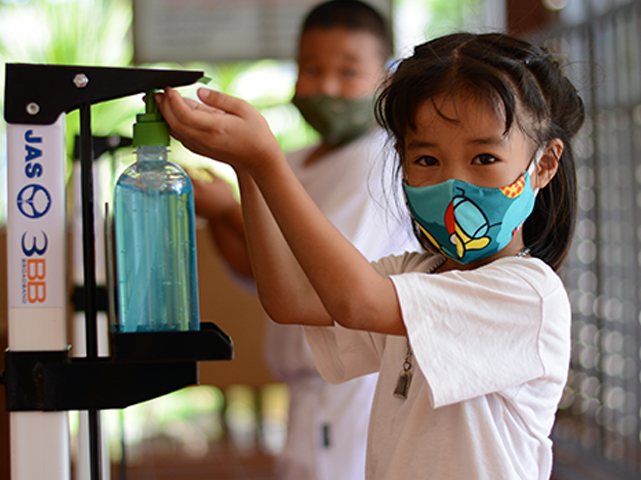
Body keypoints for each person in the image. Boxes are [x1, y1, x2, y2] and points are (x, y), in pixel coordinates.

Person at [157, 31, 585, 479]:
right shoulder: (418, 273)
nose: (453, 183)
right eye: (426, 161)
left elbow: (355, 301)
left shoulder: (528, 295)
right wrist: (247, 168)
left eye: (483, 158)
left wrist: (267, 160)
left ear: (544, 165)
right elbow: (293, 299)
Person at [190, 2, 417, 479]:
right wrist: (218, 214)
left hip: (350, 387)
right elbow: (260, 267)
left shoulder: (377, 162)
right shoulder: (292, 161)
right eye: (311, 70)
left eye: (348, 71)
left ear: (385, 81)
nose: (327, 87)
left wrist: (233, 203)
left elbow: (320, 278)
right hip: (300, 390)